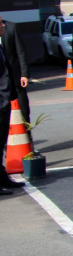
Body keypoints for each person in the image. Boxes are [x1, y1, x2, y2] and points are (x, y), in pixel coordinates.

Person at [0, 15, 20, 195]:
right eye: (0, 23)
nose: (3, 26)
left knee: (1, 142)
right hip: (1, 100)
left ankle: (2, 177)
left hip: (4, 101)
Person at [0, 14, 30, 124]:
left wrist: (24, 74)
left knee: (23, 108)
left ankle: (27, 131)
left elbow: (21, 52)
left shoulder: (12, 27)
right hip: (1, 81)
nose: (2, 25)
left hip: (15, 76)